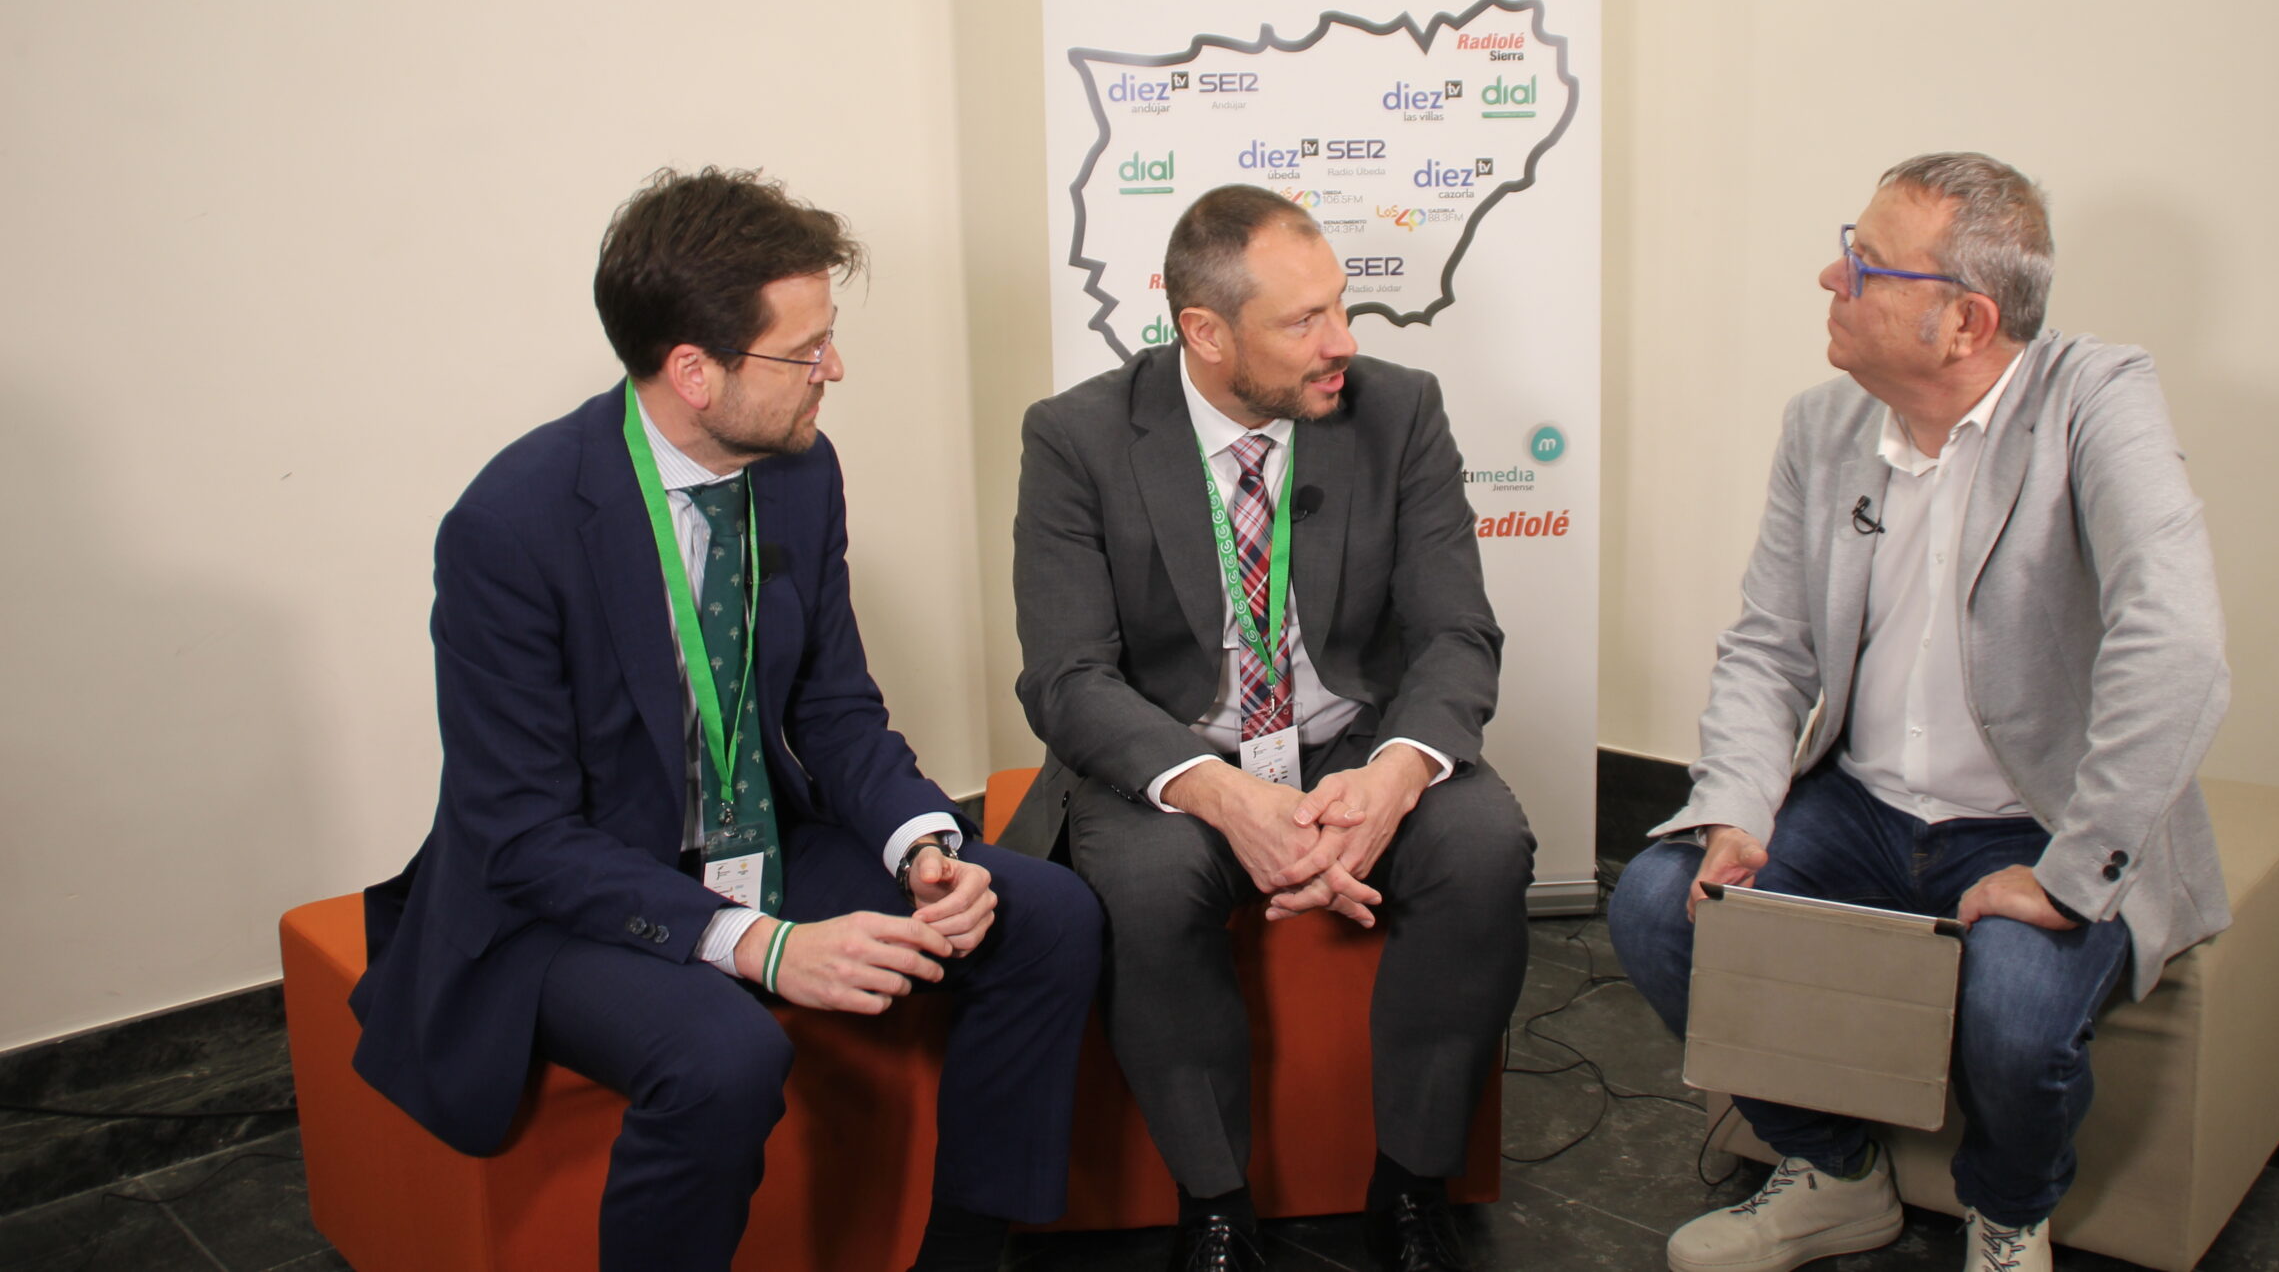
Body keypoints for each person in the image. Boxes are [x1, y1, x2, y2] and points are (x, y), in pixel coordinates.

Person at [351, 167, 1102, 1272]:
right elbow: (521, 834)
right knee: (722, 1054)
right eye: (806, 351)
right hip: (564, 901)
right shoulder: (511, 525)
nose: (833, 370)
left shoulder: (798, 471)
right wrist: (761, 946)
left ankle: (963, 1249)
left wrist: (923, 845)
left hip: (748, 843)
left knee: (1044, 914)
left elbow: (834, 707)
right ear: (694, 372)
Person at [1607, 154, 2231, 1272]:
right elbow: (1768, 645)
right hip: (1862, 806)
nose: (1828, 277)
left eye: (1863, 263)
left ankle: (2009, 1213)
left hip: (2033, 819)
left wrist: (2070, 873)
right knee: (1659, 908)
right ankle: (1835, 1174)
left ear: (1965, 322)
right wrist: (1736, 809)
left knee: (2015, 1010)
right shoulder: (1822, 426)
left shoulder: (2098, 400)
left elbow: (2176, 643)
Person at [1001, 184, 1533, 1272]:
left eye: (1341, 306)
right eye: (1305, 321)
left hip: (1349, 745)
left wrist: (1393, 775)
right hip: (1176, 754)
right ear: (1205, 332)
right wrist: (1224, 795)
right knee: (1149, 883)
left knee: (1483, 844)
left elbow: (1456, 631)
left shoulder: (1399, 409)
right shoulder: (1077, 436)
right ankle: (1216, 1207)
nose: (1343, 342)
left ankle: (1411, 1188)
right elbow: (1066, 676)